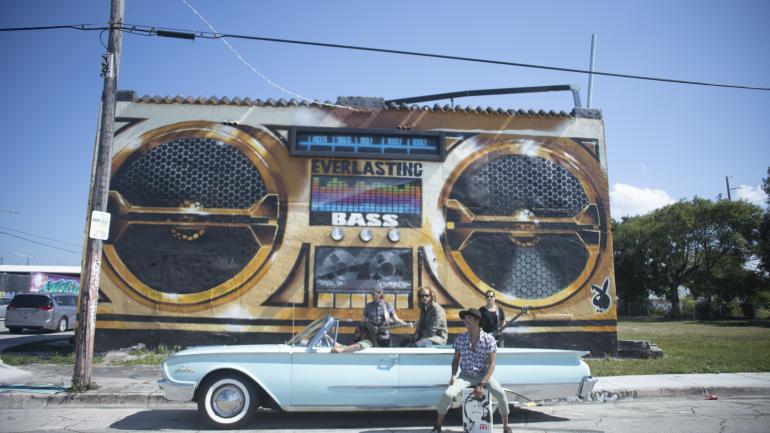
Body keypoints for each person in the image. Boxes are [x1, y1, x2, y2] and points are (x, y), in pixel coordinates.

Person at [430, 308, 511, 433]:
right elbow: (456, 360)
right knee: (447, 394)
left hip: (483, 375)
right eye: (464, 318)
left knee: (501, 394)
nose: (465, 321)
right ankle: (438, 426)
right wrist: (453, 375)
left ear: (477, 320)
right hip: (466, 375)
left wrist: (482, 384)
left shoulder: (489, 339)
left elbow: (492, 364)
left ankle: (506, 427)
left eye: (468, 318)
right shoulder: (461, 339)